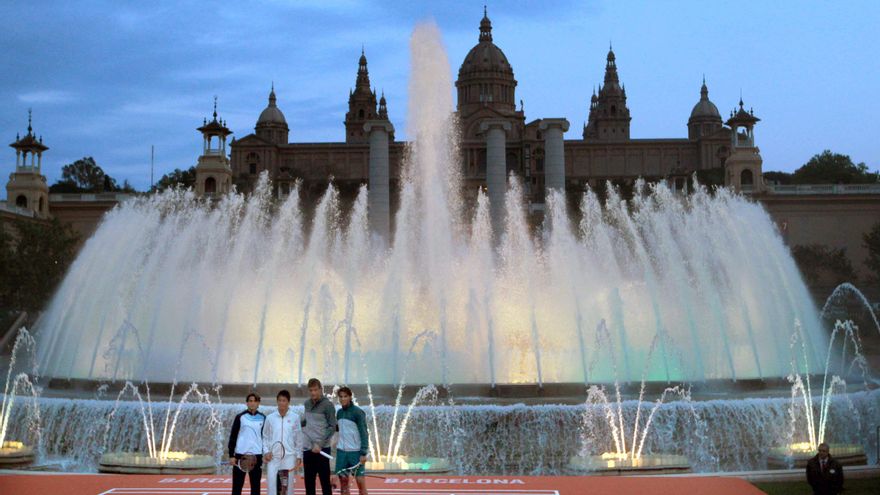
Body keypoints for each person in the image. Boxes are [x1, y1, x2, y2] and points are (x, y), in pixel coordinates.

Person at [263, 390, 303, 495]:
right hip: (273, 456)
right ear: (277, 401)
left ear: (288, 402)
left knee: (288, 487)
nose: (281, 403)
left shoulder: (295, 417)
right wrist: (266, 451)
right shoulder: (270, 418)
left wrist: (299, 456)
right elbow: (265, 437)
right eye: (279, 400)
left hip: (289, 456)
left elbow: (298, 438)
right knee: (271, 484)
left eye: (284, 400)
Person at [301, 378, 337, 495]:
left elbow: (332, 427)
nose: (313, 393)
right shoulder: (307, 404)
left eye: (315, 390)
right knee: (309, 484)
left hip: (322, 450)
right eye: (311, 390)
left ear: (321, 390)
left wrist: (320, 444)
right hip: (308, 449)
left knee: (325, 484)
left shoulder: (328, 405)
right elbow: (306, 422)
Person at [228, 392, 266, 495]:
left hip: (256, 456)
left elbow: (265, 438)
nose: (252, 403)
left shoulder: (263, 418)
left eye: (255, 401)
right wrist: (231, 455)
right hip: (241, 456)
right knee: (237, 487)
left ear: (258, 403)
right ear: (247, 403)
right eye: (250, 401)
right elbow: (233, 436)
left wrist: (265, 453)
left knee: (255, 488)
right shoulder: (240, 417)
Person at [335, 386, 370, 495]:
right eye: (340, 397)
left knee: (360, 482)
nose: (343, 399)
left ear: (350, 397)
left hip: (356, 453)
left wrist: (363, 452)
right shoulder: (339, 413)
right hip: (342, 453)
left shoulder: (358, 412)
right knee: (344, 483)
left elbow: (364, 433)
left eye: (345, 396)